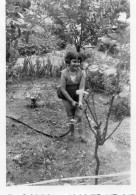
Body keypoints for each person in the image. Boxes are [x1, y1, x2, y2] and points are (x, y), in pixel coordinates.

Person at [59, 51, 87, 143]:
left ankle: (82, 135)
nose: (76, 64)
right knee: (70, 116)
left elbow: (81, 88)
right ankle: (72, 134)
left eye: (78, 61)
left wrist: (79, 102)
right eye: (74, 61)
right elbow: (63, 89)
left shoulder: (82, 73)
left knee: (79, 116)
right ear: (68, 61)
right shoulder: (64, 73)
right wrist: (71, 101)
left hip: (77, 95)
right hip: (66, 97)